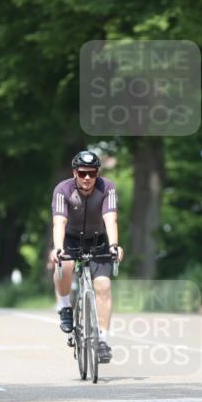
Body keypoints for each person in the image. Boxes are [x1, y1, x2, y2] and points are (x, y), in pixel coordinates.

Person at [48, 150, 123, 363]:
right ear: (75, 173)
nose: (87, 178)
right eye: (83, 173)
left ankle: (102, 341)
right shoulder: (63, 190)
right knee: (65, 264)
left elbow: (111, 220)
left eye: (91, 173)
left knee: (103, 287)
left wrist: (115, 245)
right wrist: (58, 248)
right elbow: (59, 222)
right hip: (70, 239)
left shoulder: (106, 188)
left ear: (97, 173)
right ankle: (64, 305)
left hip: (98, 240)